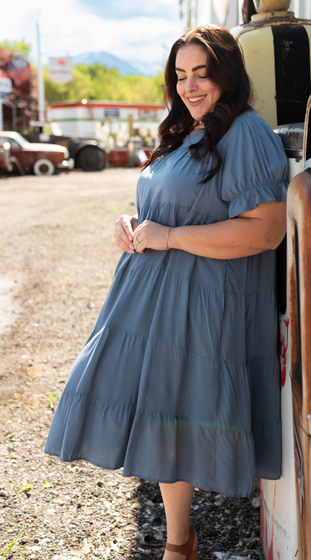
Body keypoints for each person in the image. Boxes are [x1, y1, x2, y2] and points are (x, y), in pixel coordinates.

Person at [44, 24, 289, 560]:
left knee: (179, 413)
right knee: (158, 415)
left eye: (202, 73)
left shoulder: (244, 132)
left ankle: (180, 545)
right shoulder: (185, 132)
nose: (190, 85)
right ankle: (180, 542)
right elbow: (175, 205)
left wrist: (171, 235)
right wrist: (134, 221)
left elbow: (267, 229)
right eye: (180, 76)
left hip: (201, 303)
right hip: (153, 296)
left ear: (228, 74)